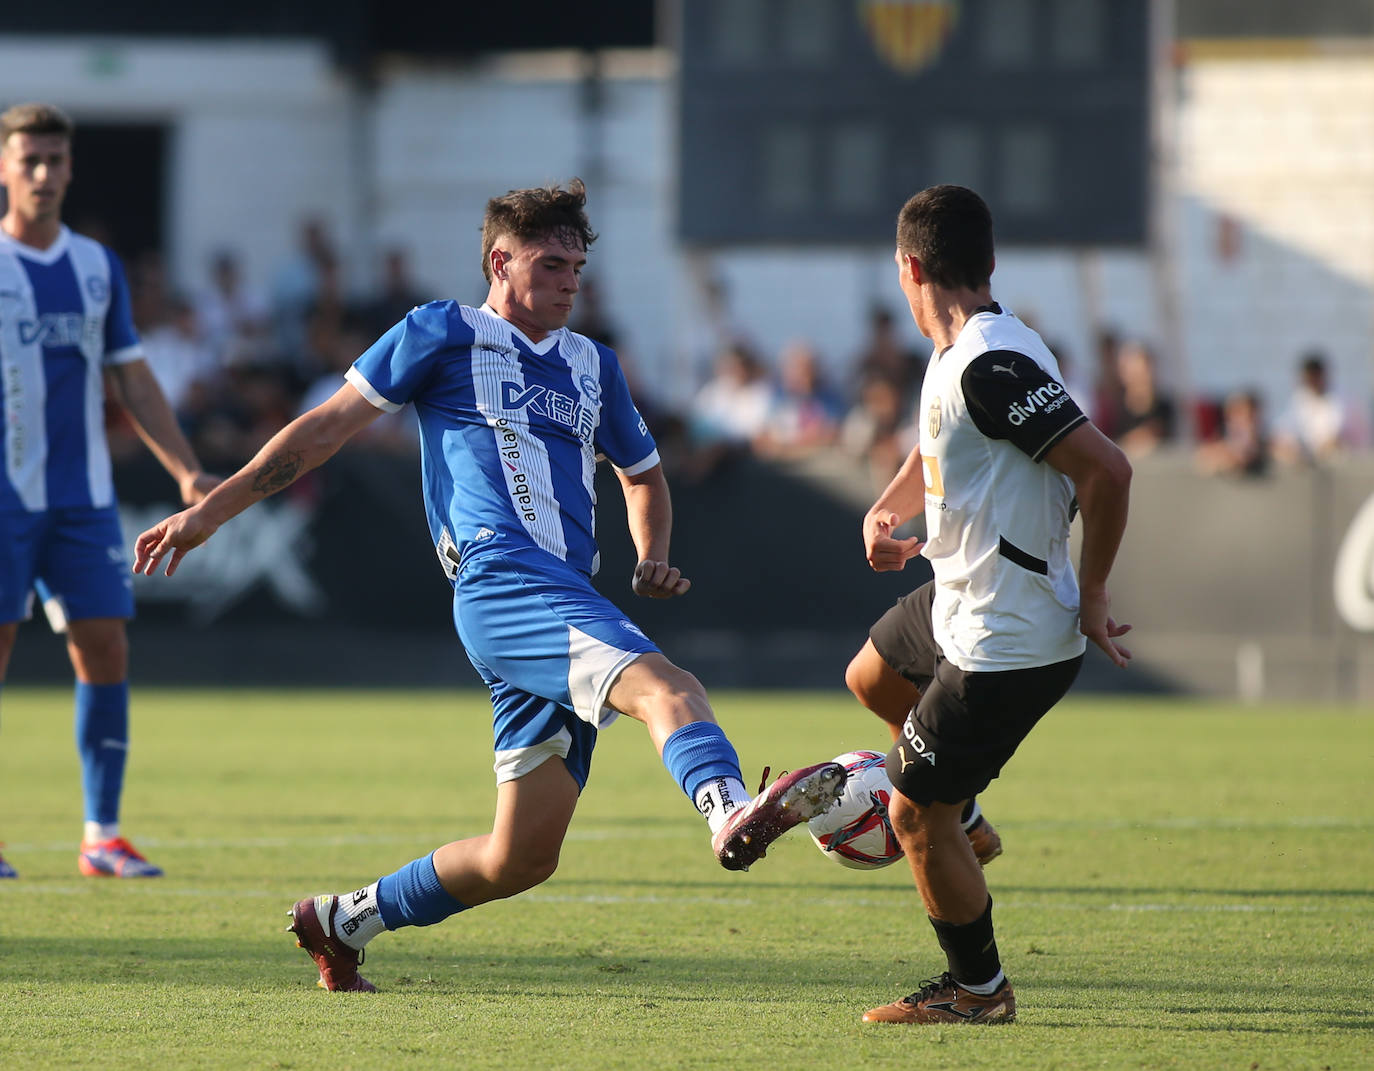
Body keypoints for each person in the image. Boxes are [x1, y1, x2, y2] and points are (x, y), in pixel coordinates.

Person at [132, 179, 845, 991]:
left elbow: (643, 474)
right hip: (503, 576)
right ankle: (728, 810)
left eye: (577, 266)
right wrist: (211, 511)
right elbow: (322, 429)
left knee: (521, 856)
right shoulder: (441, 331)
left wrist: (651, 550)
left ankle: (340, 920)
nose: (569, 280)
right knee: (669, 686)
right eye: (550, 263)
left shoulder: (594, 364)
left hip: (566, 589)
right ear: (500, 261)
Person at [842, 185, 1132, 1025]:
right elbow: (941, 436)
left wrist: (1096, 590)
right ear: (988, 262)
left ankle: (978, 991)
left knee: (907, 812)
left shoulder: (989, 362)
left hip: (1008, 637)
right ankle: (966, 817)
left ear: (910, 266)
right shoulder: (963, 348)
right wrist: (893, 509)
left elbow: (1107, 470)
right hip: (963, 596)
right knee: (872, 675)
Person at [0, 102, 219, 880]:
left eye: (55, 160)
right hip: (3, 495)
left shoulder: (96, 266)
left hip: (81, 497)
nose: (44, 174)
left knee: (105, 646)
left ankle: (102, 832)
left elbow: (131, 374)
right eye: (29, 159)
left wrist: (187, 469)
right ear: (4, 167)